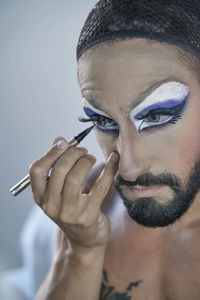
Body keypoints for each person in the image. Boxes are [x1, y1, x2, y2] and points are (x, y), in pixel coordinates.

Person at [30, 0, 200, 299]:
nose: (129, 168)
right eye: (102, 120)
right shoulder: (90, 205)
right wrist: (81, 252)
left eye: (156, 116)